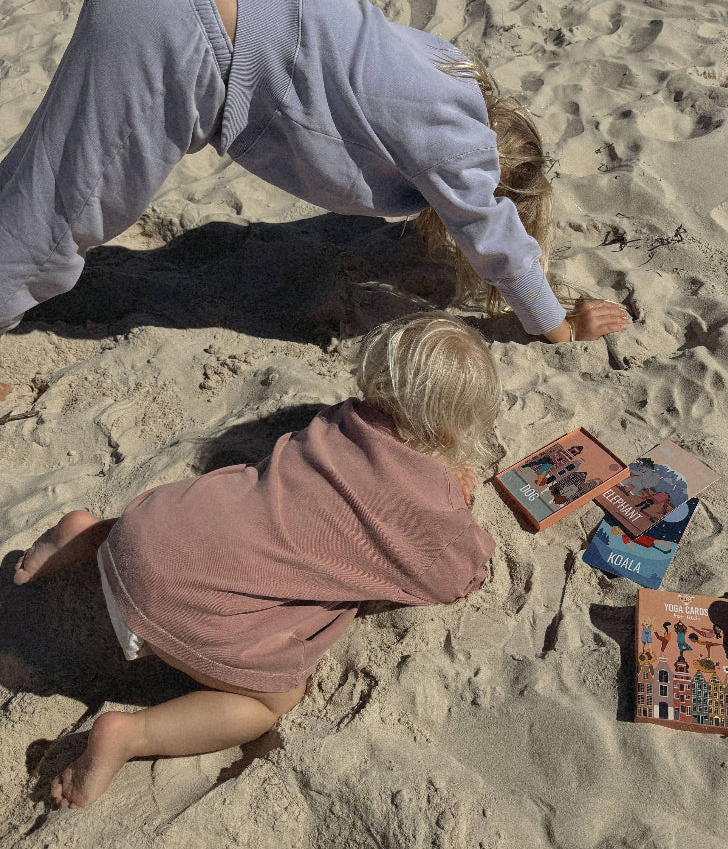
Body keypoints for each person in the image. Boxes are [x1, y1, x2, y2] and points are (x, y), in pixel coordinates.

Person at [0, 0, 628, 344]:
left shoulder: (444, 67)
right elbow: (491, 228)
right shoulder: (459, 139)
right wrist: (556, 323)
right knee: (69, 206)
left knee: (43, 167)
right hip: (182, 25)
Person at [11, 312, 501, 808]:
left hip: (146, 524)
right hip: (167, 598)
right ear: (458, 425)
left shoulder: (343, 419)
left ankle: (86, 534)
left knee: (229, 520)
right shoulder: (424, 508)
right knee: (273, 701)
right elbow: (457, 578)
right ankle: (131, 736)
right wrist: (454, 500)